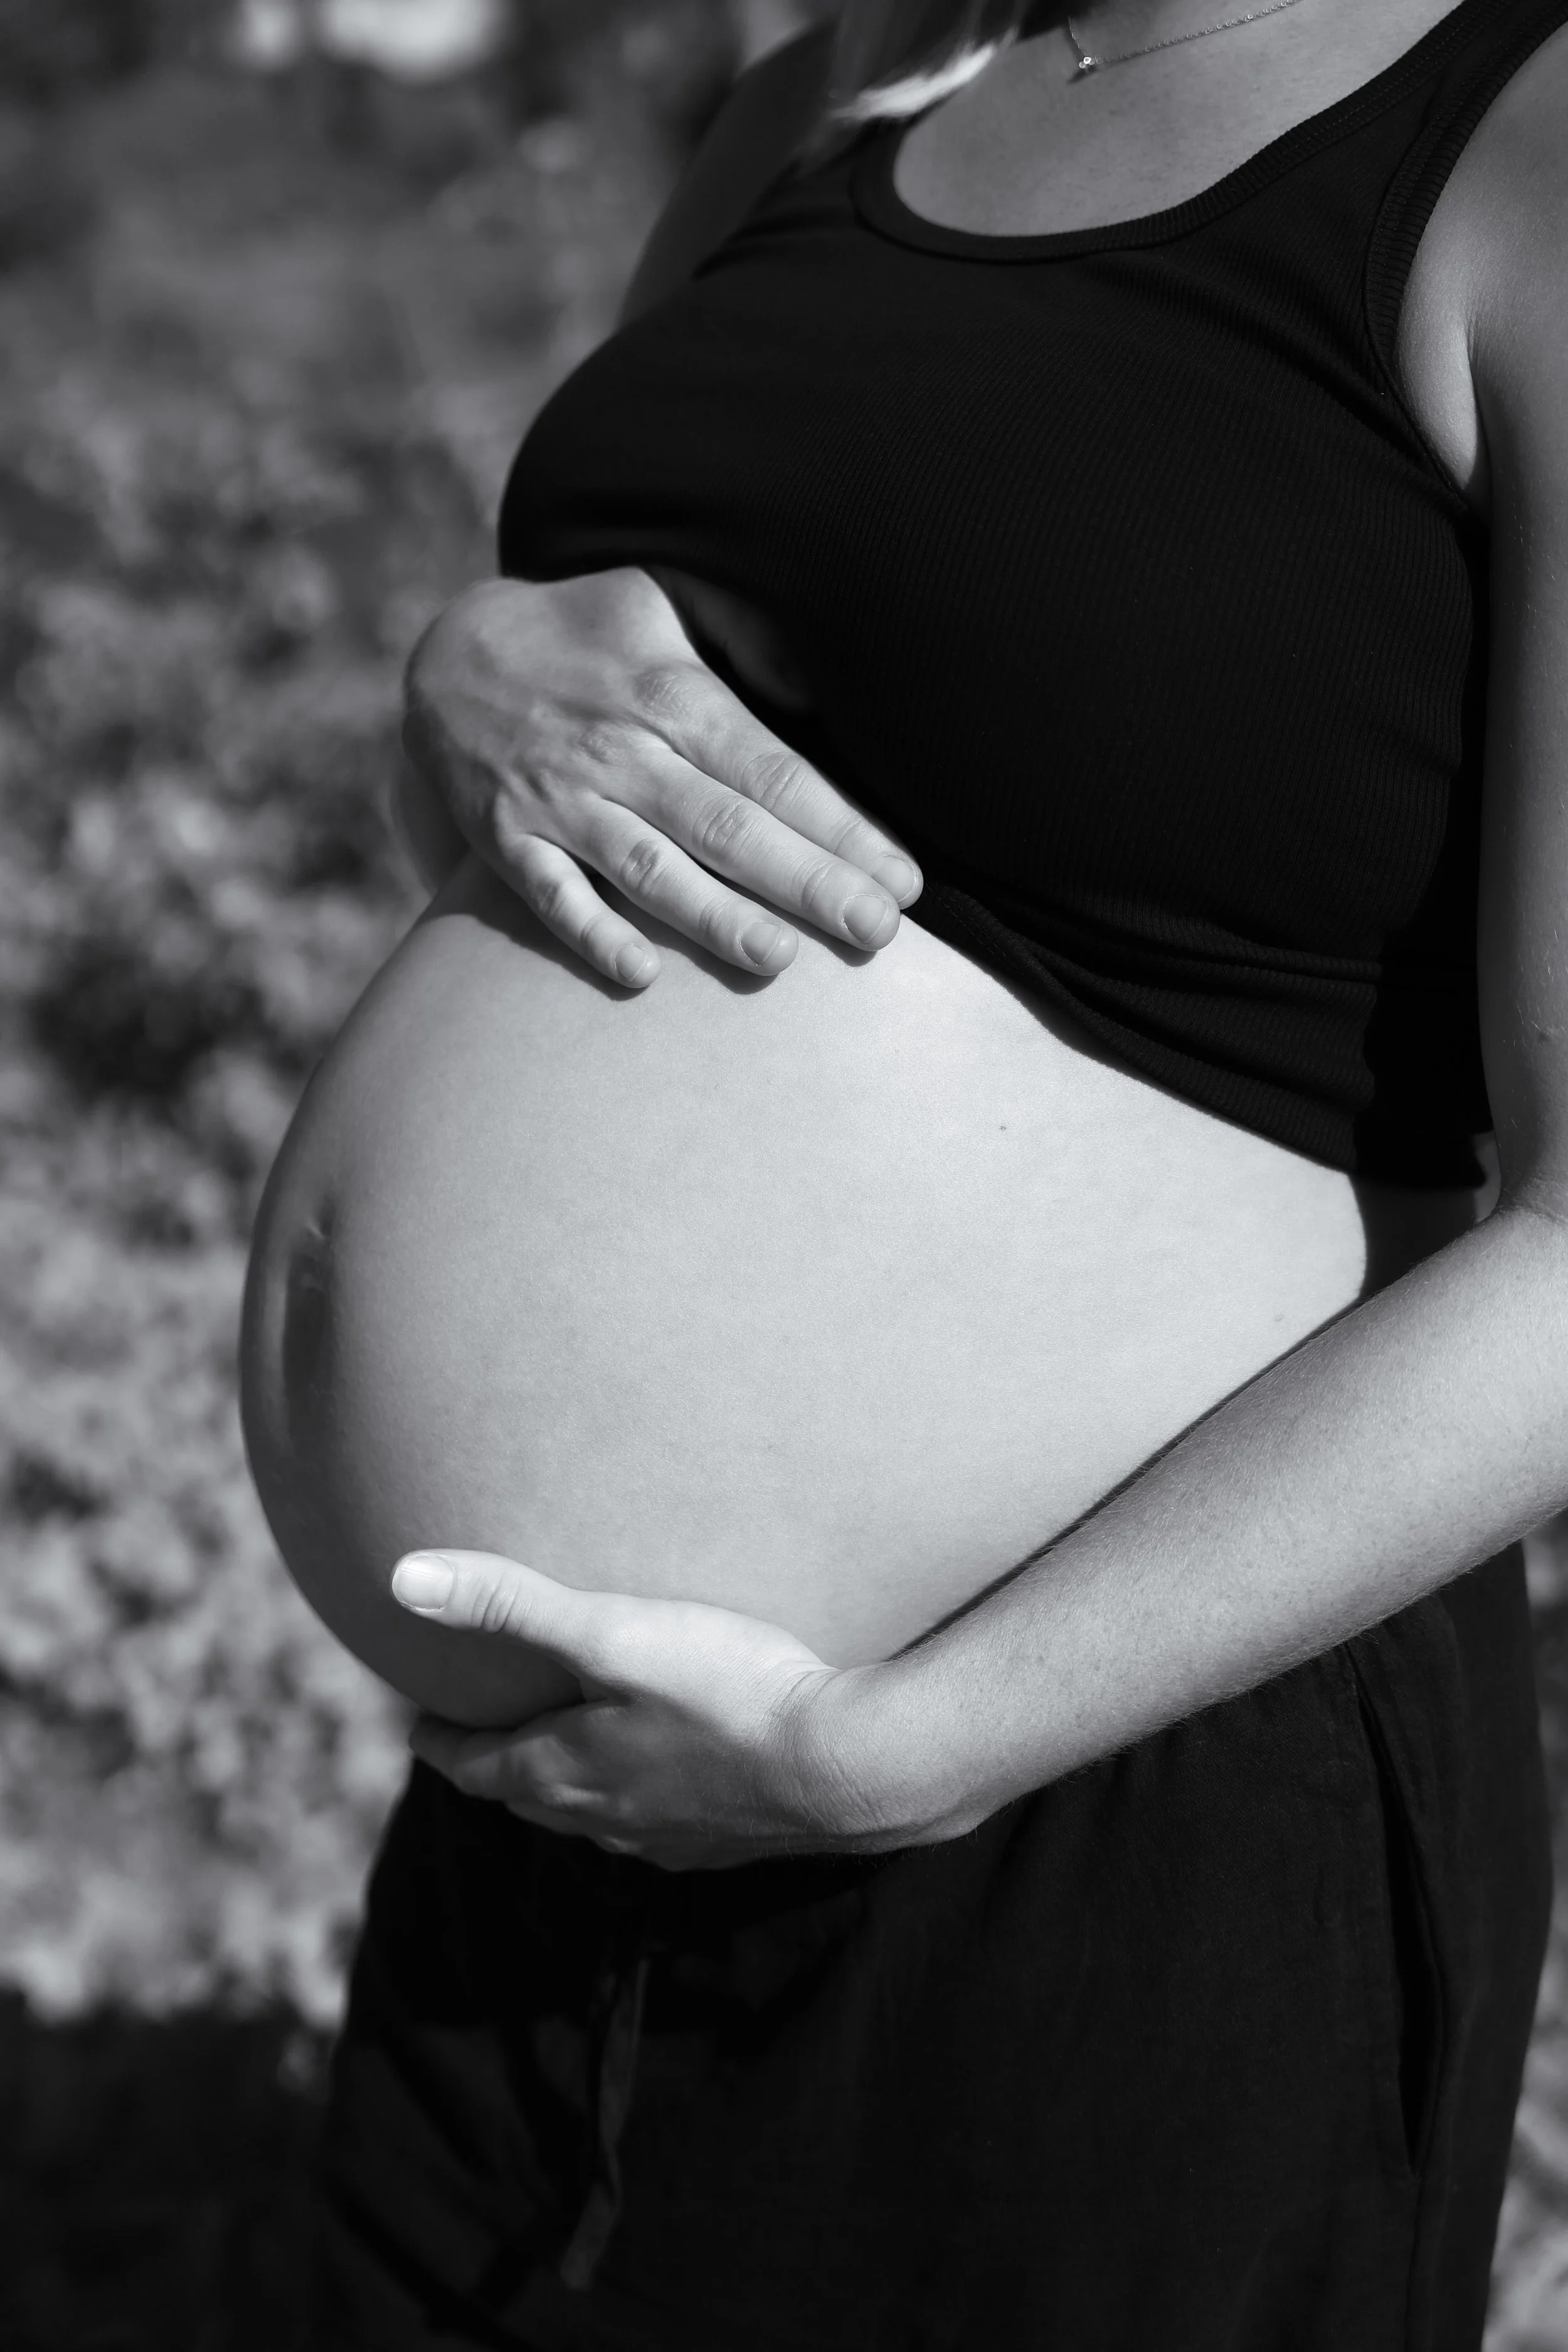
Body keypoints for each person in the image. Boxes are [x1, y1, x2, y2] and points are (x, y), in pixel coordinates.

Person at [238, 3, 1568, 2344]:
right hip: (556, 1799)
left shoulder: (1526, 137)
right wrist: (456, 681)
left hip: (1101, 1771)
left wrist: (900, 1751)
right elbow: (608, 812)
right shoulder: (841, 82)